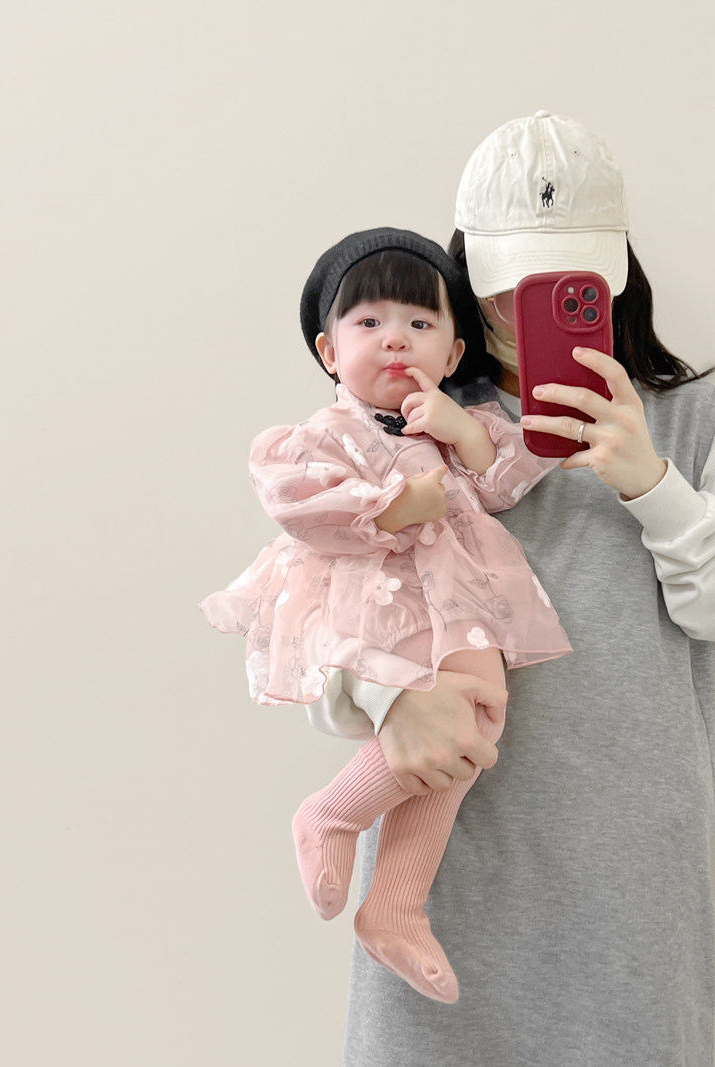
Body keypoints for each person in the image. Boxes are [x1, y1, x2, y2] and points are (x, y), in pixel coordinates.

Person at [308, 113, 715, 1066]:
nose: (521, 306)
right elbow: (312, 625)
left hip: (636, 881)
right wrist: (384, 700)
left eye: (564, 281)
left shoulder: (694, 421)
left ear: (613, 275)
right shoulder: (400, 424)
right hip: (440, 875)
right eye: (506, 284)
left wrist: (651, 484)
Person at [201, 227, 571, 1002]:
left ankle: (396, 905)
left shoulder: (452, 425)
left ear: (453, 352)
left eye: (419, 322)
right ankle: (331, 814)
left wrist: (460, 428)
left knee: (473, 726)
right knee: (442, 724)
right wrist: (397, 503)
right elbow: (299, 502)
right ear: (330, 351)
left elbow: (508, 478)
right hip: (371, 603)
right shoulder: (324, 433)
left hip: (457, 607)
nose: (395, 338)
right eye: (369, 322)